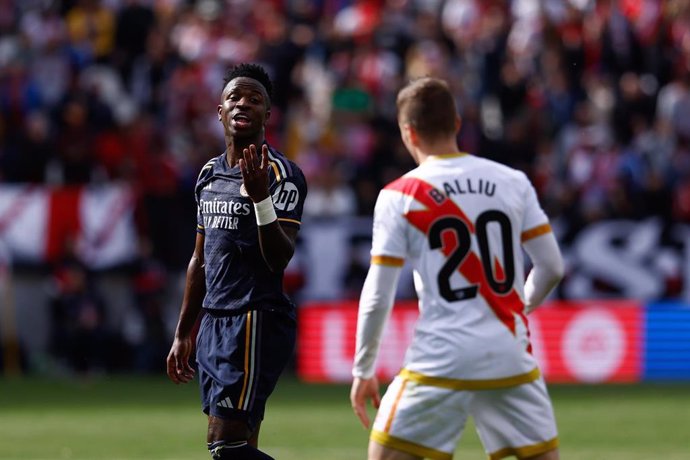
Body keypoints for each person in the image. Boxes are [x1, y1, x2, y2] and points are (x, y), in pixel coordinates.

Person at [350, 77, 564, 460]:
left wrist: (364, 368)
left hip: (440, 357)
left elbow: (379, 293)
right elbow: (551, 267)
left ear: (408, 132)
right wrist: (519, 306)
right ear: (458, 124)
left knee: (385, 455)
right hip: (508, 353)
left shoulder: (398, 195)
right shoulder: (512, 181)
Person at [166, 63, 307, 460]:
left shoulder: (282, 174)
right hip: (214, 320)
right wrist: (183, 331)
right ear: (220, 111)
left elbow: (280, 258)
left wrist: (261, 197)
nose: (243, 103)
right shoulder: (209, 174)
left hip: (254, 317)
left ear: (268, 114)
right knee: (241, 443)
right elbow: (200, 259)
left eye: (254, 99)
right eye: (234, 97)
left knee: (224, 444)